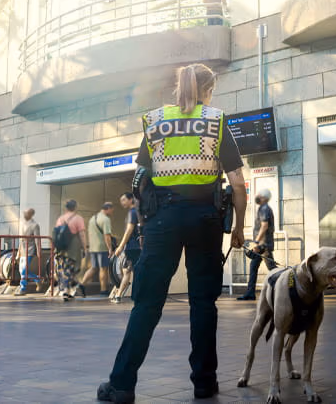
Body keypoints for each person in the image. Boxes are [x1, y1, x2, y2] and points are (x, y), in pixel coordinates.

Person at [97, 63, 247, 404]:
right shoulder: (217, 119)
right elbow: (237, 184)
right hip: (207, 219)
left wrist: (146, 224)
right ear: (208, 90)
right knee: (203, 303)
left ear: (177, 88)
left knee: (147, 304)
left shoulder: (154, 121)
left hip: (162, 219)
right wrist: (237, 227)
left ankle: (121, 385)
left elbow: (140, 181)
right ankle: (204, 383)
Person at [237, 189, 277, 301]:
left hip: (263, 245)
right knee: (256, 267)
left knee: (272, 268)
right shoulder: (264, 208)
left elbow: (264, 226)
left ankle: (284, 288)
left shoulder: (264, 209)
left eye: (259, 195)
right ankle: (250, 293)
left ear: (264, 198)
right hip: (264, 244)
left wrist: (257, 242)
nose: (257, 197)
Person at [111, 193, 142, 304]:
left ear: (131, 200)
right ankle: (119, 295)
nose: (122, 202)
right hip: (133, 247)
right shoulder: (136, 212)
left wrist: (120, 246)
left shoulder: (132, 212)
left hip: (132, 247)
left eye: (124, 200)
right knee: (128, 271)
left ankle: (131, 296)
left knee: (130, 271)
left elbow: (129, 230)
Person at [54, 200, 87, 301]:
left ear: (66, 208)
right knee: (70, 268)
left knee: (63, 269)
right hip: (73, 247)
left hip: (61, 248)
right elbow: (81, 234)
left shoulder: (60, 219)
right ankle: (67, 290)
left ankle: (68, 291)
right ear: (75, 207)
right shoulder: (78, 218)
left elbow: (56, 234)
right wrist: (84, 247)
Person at [82, 202, 115, 297]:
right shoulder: (105, 219)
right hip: (102, 247)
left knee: (93, 267)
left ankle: (82, 285)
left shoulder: (93, 218)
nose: (112, 212)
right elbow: (107, 236)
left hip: (93, 247)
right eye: (112, 210)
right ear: (108, 208)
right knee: (103, 268)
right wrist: (110, 248)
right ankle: (104, 290)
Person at [14, 208, 42, 296]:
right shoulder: (22, 224)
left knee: (24, 271)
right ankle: (38, 279)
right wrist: (18, 253)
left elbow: (37, 239)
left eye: (26, 213)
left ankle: (23, 288)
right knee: (21, 270)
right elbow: (21, 239)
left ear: (31, 214)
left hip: (30, 249)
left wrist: (38, 250)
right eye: (24, 213)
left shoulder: (35, 225)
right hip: (22, 250)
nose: (24, 215)